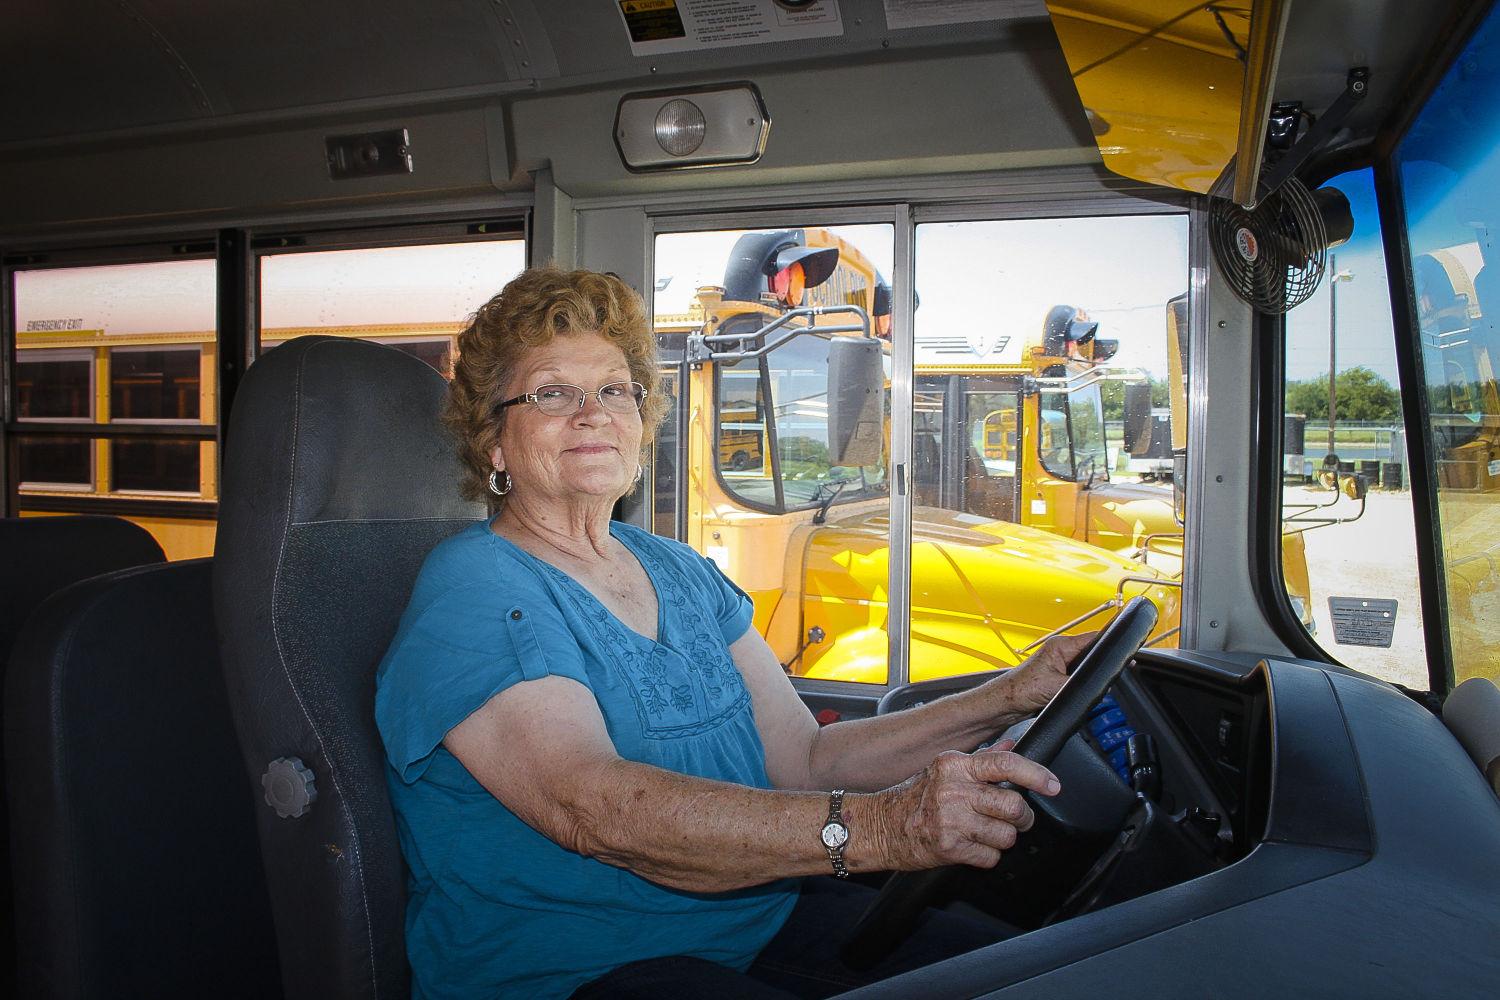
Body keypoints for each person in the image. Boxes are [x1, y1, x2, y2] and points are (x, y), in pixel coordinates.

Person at [375, 267, 1095, 1000]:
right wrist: (883, 830)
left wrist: (1011, 694)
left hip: (756, 921)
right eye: (553, 393)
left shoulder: (679, 569)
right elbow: (594, 807)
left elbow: (806, 759)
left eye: (615, 390)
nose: (593, 413)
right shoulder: (475, 587)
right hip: (584, 973)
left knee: (1047, 975)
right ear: (494, 441)